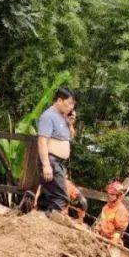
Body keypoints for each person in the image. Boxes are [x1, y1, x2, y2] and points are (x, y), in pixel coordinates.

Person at [36, 87, 77, 215]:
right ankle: (49, 223)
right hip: (51, 161)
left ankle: (40, 219)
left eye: (73, 104)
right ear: (59, 100)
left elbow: (69, 137)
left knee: (48, 196)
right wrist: (46, 165)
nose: (71, 107)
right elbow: (42, 141)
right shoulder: (48, 116)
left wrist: (70, 123)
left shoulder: (63, 117)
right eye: (69, 103)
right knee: (61, 198)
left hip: (58, 163)